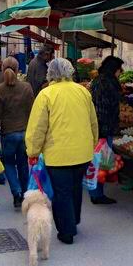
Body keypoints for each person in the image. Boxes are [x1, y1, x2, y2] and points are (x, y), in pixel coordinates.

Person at [25, 58, 98, 245]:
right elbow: (93, 123)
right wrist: (92, 144)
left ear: (50, 73)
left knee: (61, 192)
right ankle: (74, 220)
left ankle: (66, 231)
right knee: (75, 188)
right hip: (82, 152)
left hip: (58, 155)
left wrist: (32, 152)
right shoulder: (83, 91)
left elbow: (37, 128)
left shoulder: (46, 95)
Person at [0, 57, 34, 208]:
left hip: (8, 132)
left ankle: (16, 193)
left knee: (9, 163)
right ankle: (25, 192)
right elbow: (32, 110)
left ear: (3, 70)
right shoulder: (27, 87)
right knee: (23, 164)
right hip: (24, 131)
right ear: (18, 70)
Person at [89, 56, 124, 205]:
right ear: (114, 69)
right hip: (104, 127)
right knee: (101, 162)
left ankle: (94, 191)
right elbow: (108, 107)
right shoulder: (109, 83)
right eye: (119, 69)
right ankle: (97, 194)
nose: (121, 72)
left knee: (97, 161)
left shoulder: (97, 80)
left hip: (96, 126)